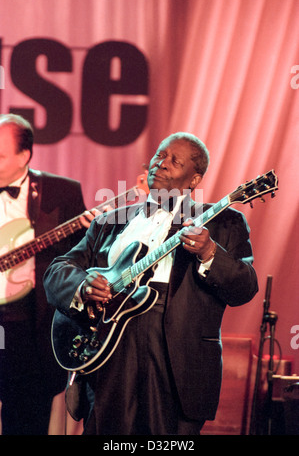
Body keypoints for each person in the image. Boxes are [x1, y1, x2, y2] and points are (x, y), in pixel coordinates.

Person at [43, 132, 259, 435]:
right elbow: (58, 269)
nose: (162, 163)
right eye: (160, 155)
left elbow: (245, 287)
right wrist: (84, 284)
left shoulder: (223, 222)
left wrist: (210, 253)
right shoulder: (110, 221)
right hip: (107, 349)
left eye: (175, 160)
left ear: (194, 179)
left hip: (174, 362)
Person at [0, 113, 95, 435]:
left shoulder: (61, 192)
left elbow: (80, 257)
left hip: (30, 326)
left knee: (26, 420)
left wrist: (85, 230)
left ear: (24, 156)